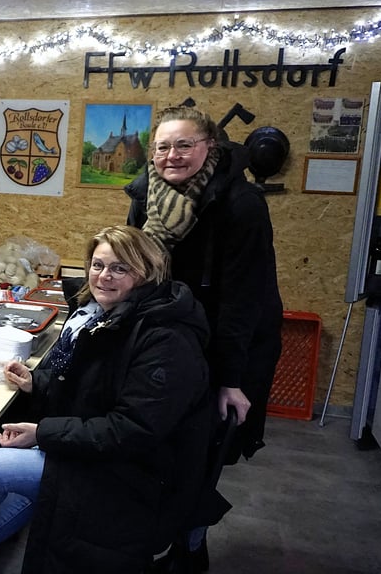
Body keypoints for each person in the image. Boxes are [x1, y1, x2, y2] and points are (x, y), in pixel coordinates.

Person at [0, 225, 213, 573]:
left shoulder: (165, 339)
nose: (104, 276)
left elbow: (131, 430)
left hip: (133, 474)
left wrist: (43, 433)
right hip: (102, 452)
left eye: (120, 268)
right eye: (97, 265)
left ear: (147, 272)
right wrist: (38, 382)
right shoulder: (110, 316)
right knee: (14, 498)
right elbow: (91, 390)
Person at [125, 105, 283, 568]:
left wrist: (231, 379)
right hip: (167, 340)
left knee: (202, 455)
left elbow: (243, 300)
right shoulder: (144, 196)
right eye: (163, 146)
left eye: (184, 145)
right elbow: (134, 266)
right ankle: (157, 538)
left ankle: (190, 549)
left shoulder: (240, 203)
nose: (172, 156)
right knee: (160, 446)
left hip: (226, 344)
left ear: (210, 147)